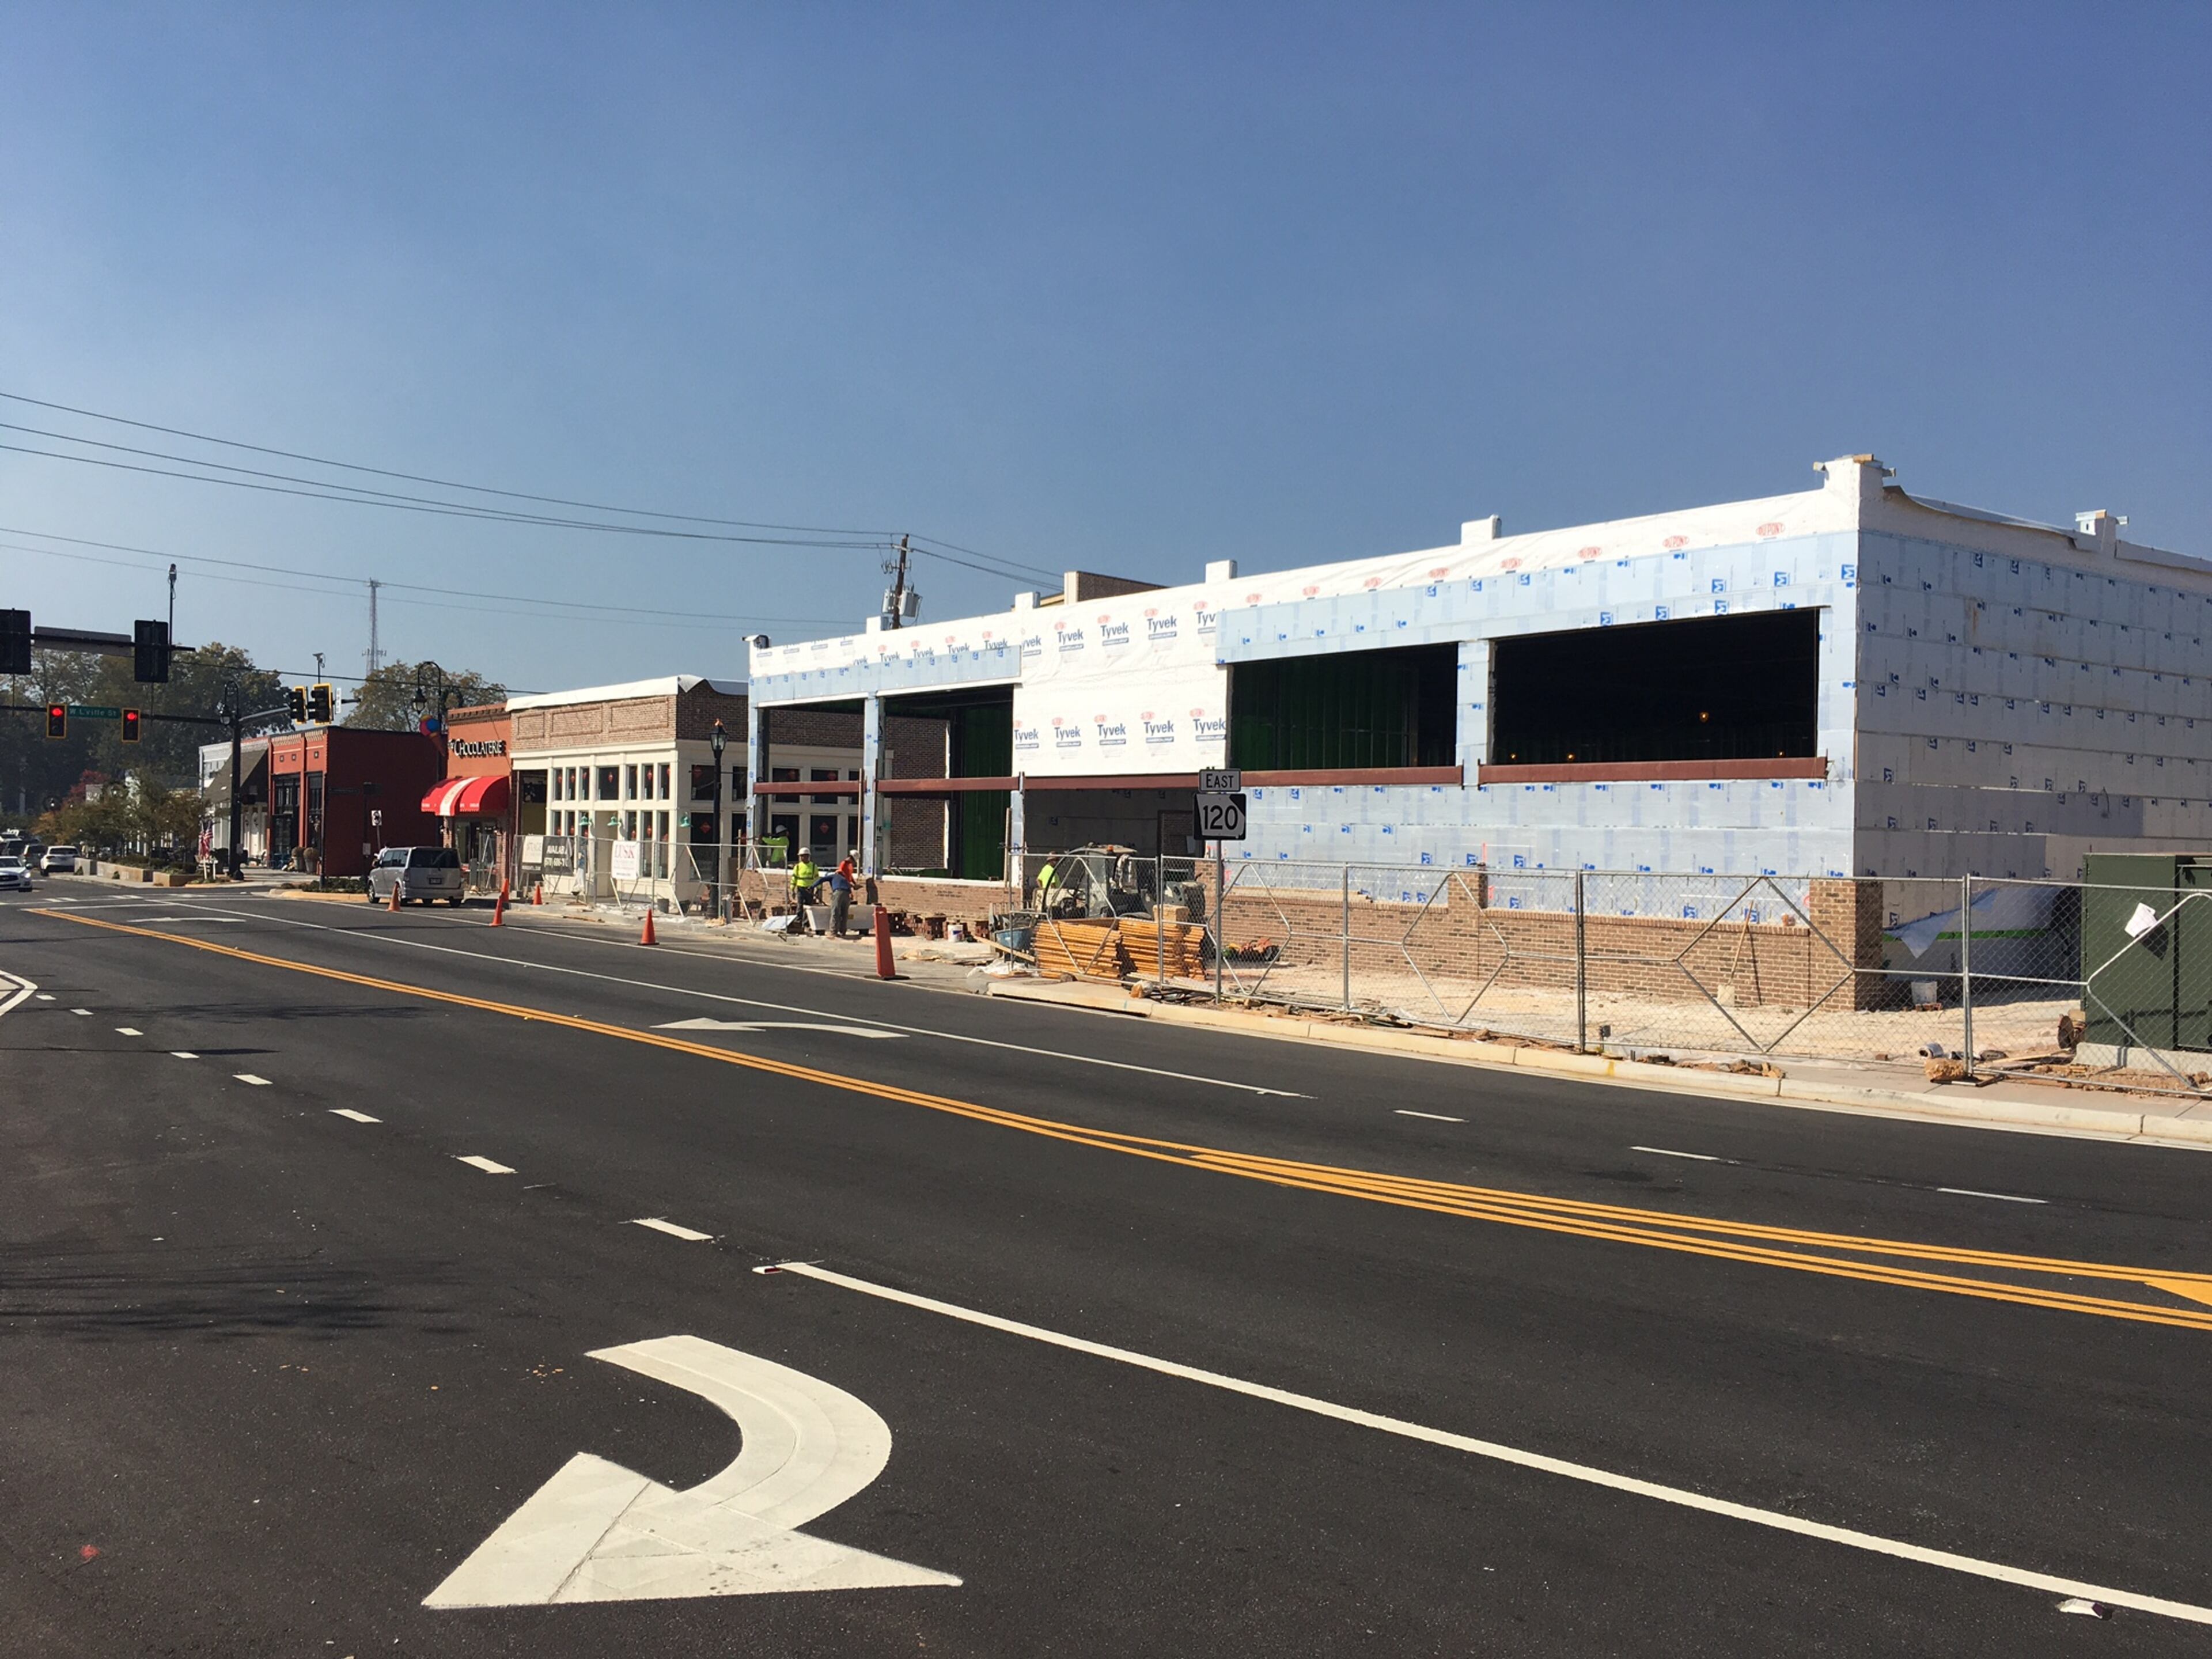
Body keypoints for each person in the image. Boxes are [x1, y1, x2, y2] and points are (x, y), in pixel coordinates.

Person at [789, 851, 820, 929]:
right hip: (800, 888)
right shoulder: (798, 867)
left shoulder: (813, 866)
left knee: (809, 906)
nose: (802, 858)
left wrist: (818, 889)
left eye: (804, 856)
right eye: (801, 856)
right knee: (800, 906)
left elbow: (817, 878)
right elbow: (794, 878)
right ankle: (798, 922)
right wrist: (792, 889)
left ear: (808, 856)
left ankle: (806, 923)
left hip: (810, 889)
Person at [828, 856, 855, 938]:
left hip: (842, 890)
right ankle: (842, 931)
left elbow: (850, 877)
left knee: (836, 911)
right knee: (843, 912)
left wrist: (854, 883)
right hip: (846, 889)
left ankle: (835, 931)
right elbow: (845, 876)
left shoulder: (849, 866)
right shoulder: (844, 864)